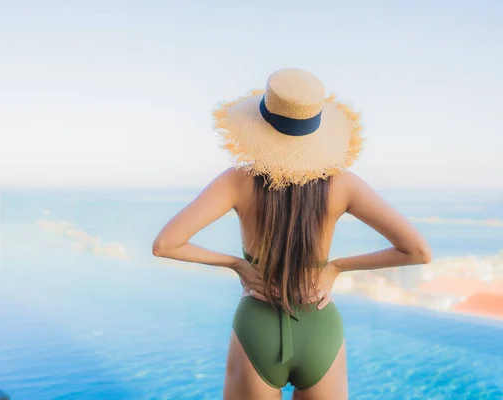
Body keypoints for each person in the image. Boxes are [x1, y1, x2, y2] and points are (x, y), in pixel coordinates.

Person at [151, 68, 431, 400]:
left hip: (259, 321)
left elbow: (166, 244)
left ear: (259, 126)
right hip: (319, 322)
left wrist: (236, 265)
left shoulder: (237, 181)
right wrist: (335, 267)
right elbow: (417, 251)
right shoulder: (343, 184)